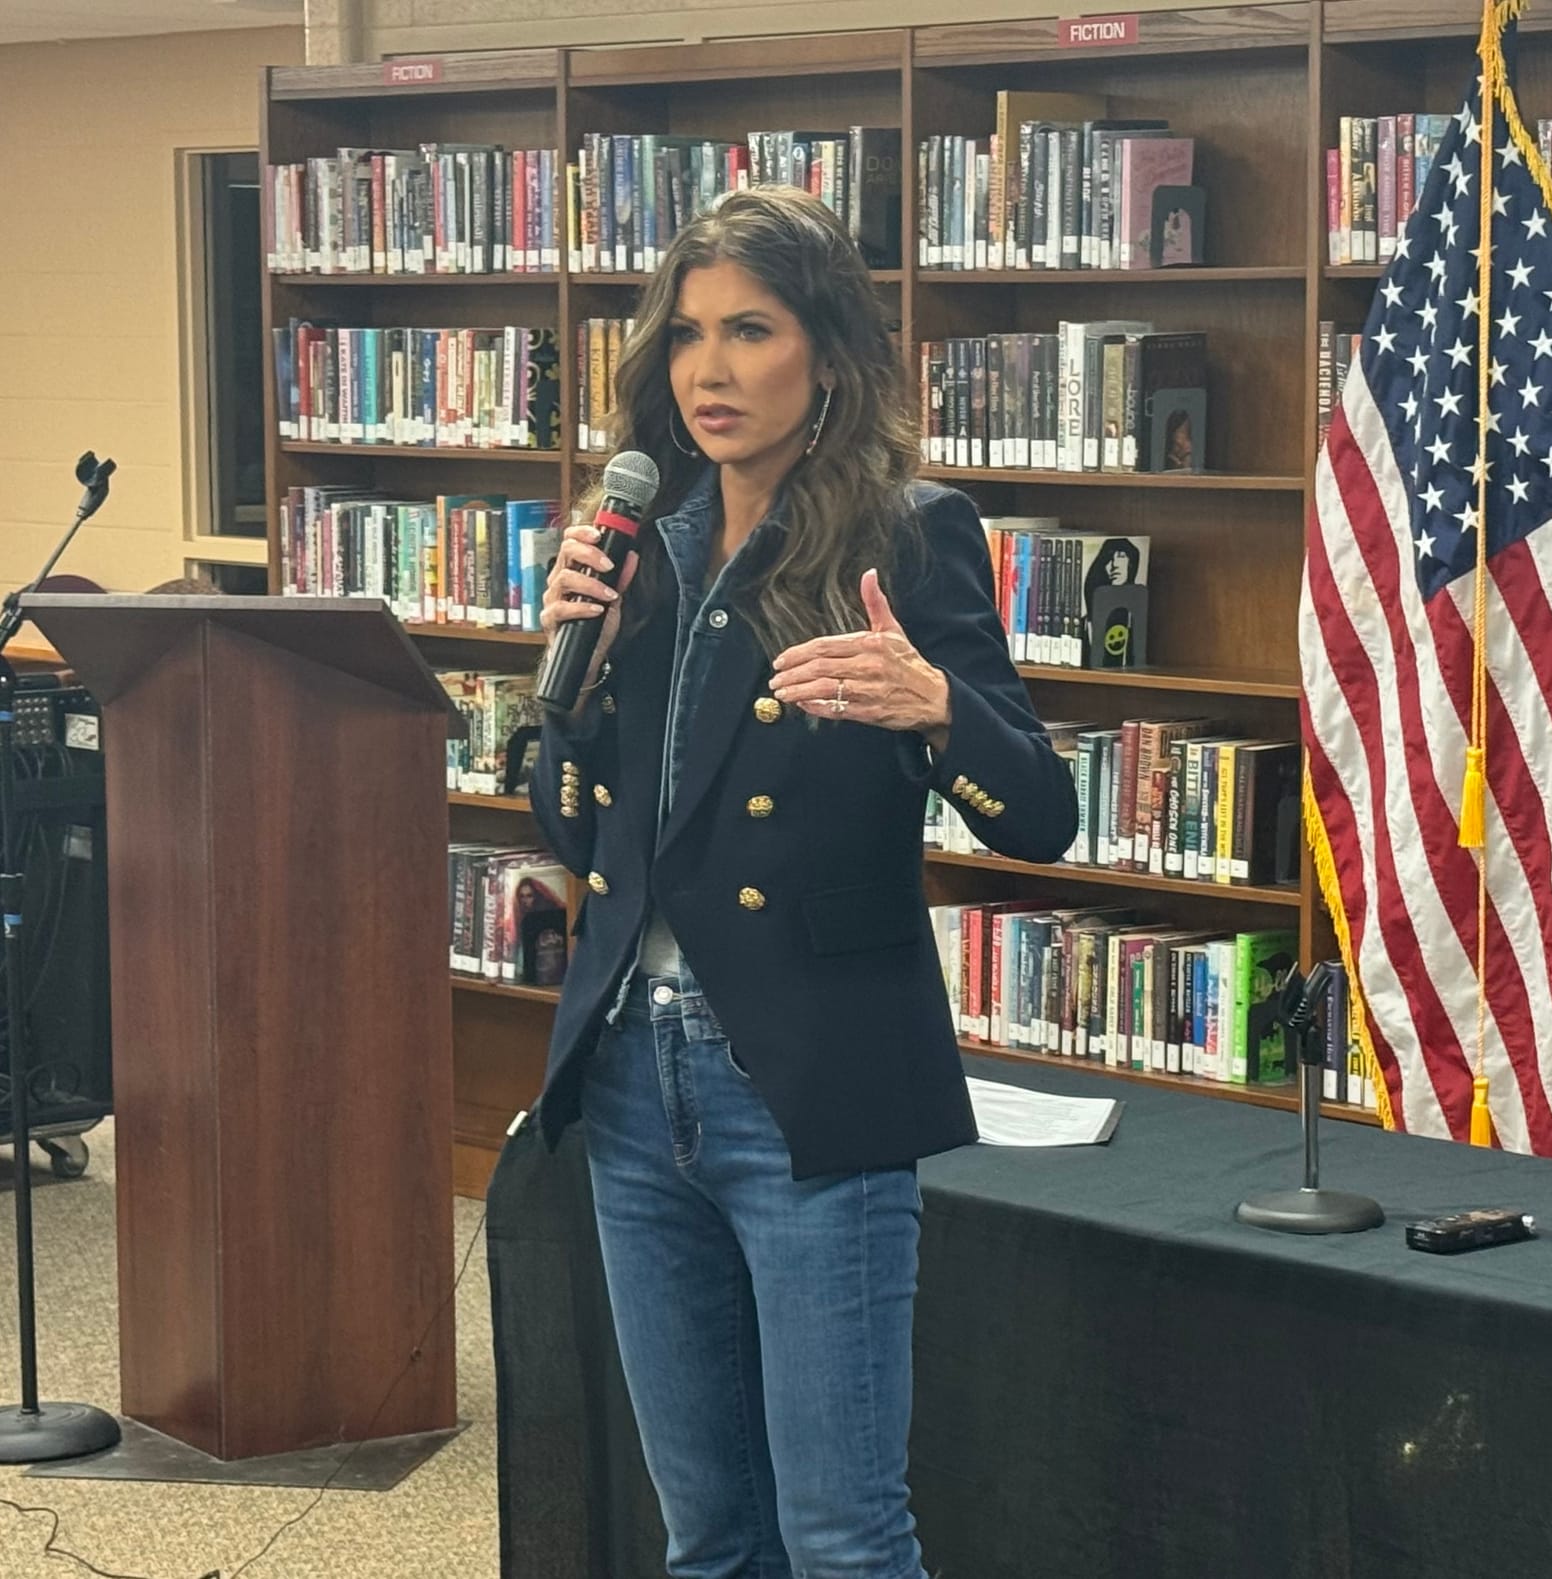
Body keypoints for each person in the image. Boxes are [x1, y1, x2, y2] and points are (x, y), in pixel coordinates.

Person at [527, 185, 1077, 1579]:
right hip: (634, 1084)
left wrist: (939, 707)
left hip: (803, 1082)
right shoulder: (641, 544)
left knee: (841, 1531)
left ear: (825, 354)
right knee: (706, 1530)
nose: (707, 370)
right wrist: (572, 689)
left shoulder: (906, 533)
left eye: (750, 330)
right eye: (688, 334)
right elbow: (581, 839)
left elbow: (1044, 821)